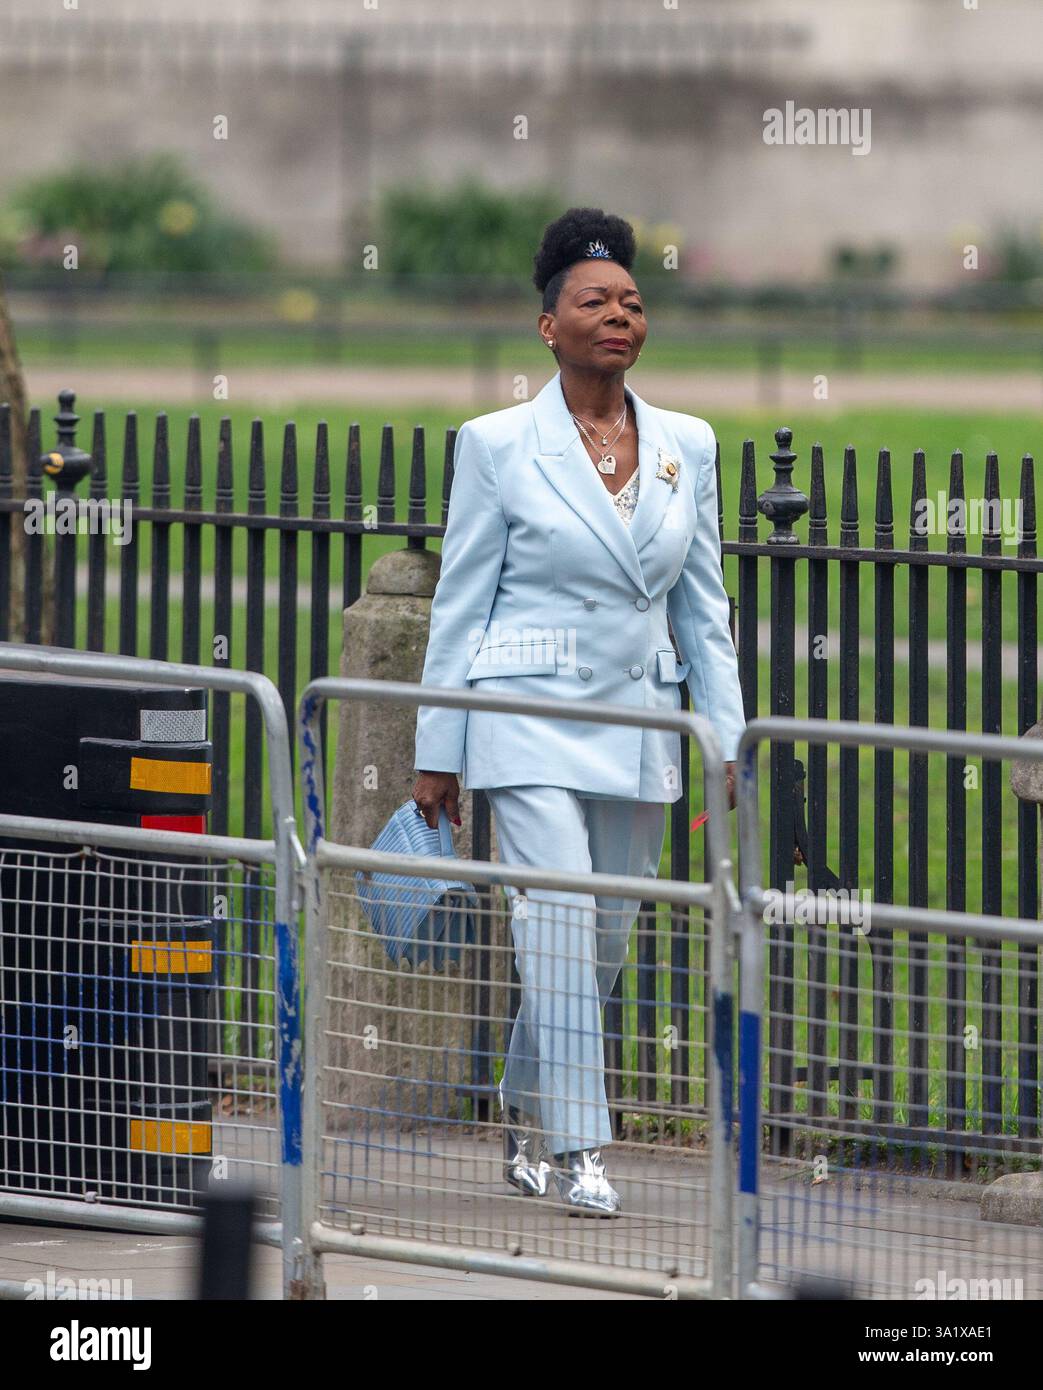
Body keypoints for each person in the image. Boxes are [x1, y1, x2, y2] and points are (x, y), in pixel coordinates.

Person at [411, 207, 745, 1216]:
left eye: (631, 302)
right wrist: (440, 748)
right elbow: (461, 600)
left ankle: (519, 1109)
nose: (617, 316)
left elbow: (703, 608)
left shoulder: (687, 442)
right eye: (593, 301)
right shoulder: (496, 443)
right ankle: (578, 1148)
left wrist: (723, 737)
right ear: (547, 324)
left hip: (639, 720)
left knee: (600, 942)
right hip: (523, 716)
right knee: (553, 917)